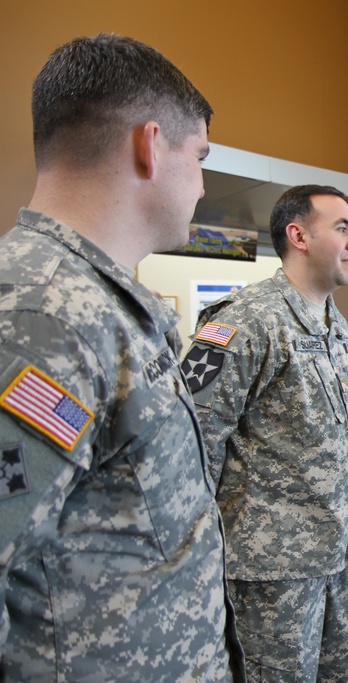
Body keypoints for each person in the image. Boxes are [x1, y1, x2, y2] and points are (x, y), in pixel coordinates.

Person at [0, 34, 242, 680]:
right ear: (149, 144)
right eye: (200, 156)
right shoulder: (46, 314)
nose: (202, 183)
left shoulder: (94, 301)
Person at [182, 185, 348, 682]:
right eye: (343, 228)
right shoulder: (246, 320)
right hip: (272, 568)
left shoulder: (336, 324)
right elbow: (193, 439)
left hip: (340, 553)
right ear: (298, 235)